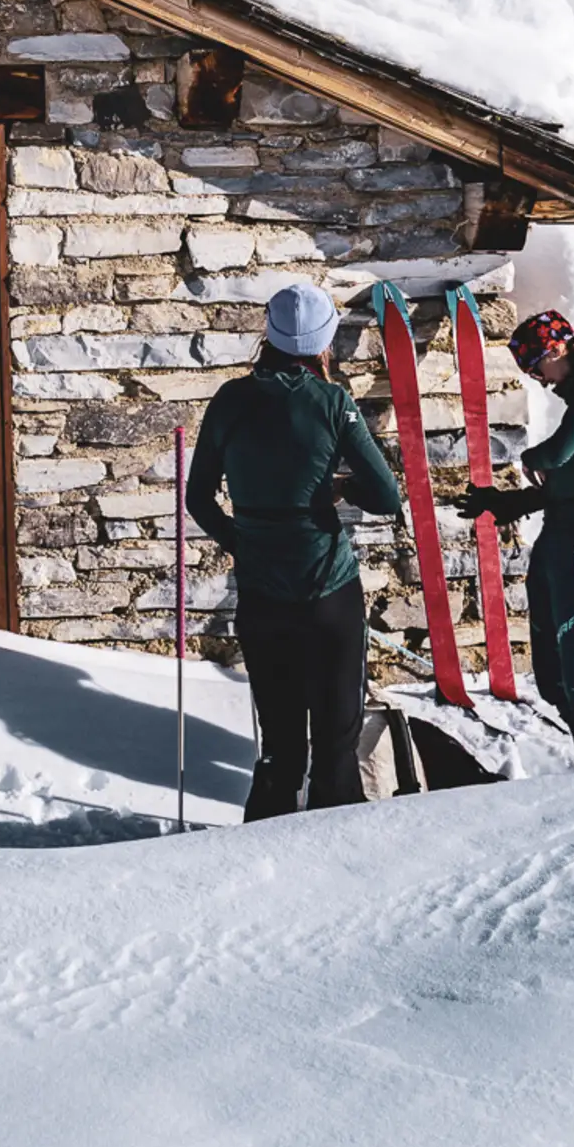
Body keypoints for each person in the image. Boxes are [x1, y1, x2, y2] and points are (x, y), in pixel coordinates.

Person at [186, 279, 406, 820]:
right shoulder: (332, 402)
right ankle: (338, 848)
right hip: (329, 589)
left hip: (263, 592)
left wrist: (241, 541)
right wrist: (341, 488)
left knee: (280, 747)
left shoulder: (231, 399)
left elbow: (198, 498)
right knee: (335, 745)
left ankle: (265, 845)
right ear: (323, 343)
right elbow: (386, 496)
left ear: (270, 334)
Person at [458, 307, 574, 770]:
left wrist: (530, 458)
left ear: (558, 349)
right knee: (556, 682)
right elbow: (569, 481)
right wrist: (506, 503)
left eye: (536, 366)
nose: (537, 378)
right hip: (559, 546)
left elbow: (559, 453)